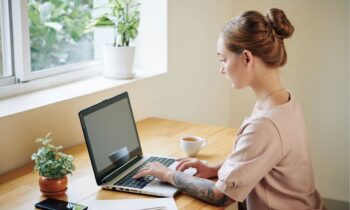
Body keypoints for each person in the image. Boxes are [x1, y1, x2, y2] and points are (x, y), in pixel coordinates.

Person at [134, 8, 327, 210]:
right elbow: (259, 160)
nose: (221, 69)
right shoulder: (283, 101)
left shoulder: (265, 125)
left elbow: (221, 196)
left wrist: (168, 174)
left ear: (246, 58)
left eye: (223, 59)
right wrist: (214, 170)